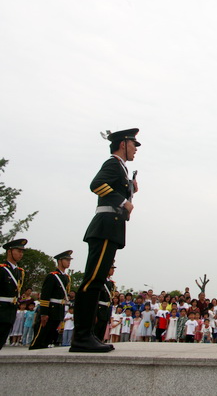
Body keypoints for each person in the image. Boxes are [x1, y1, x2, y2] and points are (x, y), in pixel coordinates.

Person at [71, 128, 140, 353]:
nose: (136, 149)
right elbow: (96, 184)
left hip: (112, 226)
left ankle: (88, 334)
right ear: (123, 144)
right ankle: (81, 336)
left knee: (98, 280)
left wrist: (130, 190)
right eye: (134, 144)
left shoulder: (121, 168)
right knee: (93, 281)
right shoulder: (112, 164)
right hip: (105, 226)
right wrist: (123, 201)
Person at [30, 250, 72, 350]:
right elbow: (45, 295)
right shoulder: (52, 276)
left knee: (50, 336)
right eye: (66, 260)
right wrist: (44, 313)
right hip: (50, 309)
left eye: (69, 260)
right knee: (41, 335)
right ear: (60, 261)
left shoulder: (66, 277)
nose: (69, 262)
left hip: (59, 309)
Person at [0, 239, 27, 350]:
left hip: (11, 310)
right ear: (9, 251)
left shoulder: (19, 271)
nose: (21, 254)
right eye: (18, 251)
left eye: (22, 252)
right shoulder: (2, 269)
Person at [94, 264, 116, 343]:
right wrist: (95, 313)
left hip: (106, 308)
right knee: (98, 327)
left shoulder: (111, 283)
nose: (113, 270)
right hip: (99, 308)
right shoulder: (100, 281)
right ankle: (95, 342)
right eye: (111, 268)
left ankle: (100, 341)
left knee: (103, 327)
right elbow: (95, 298)